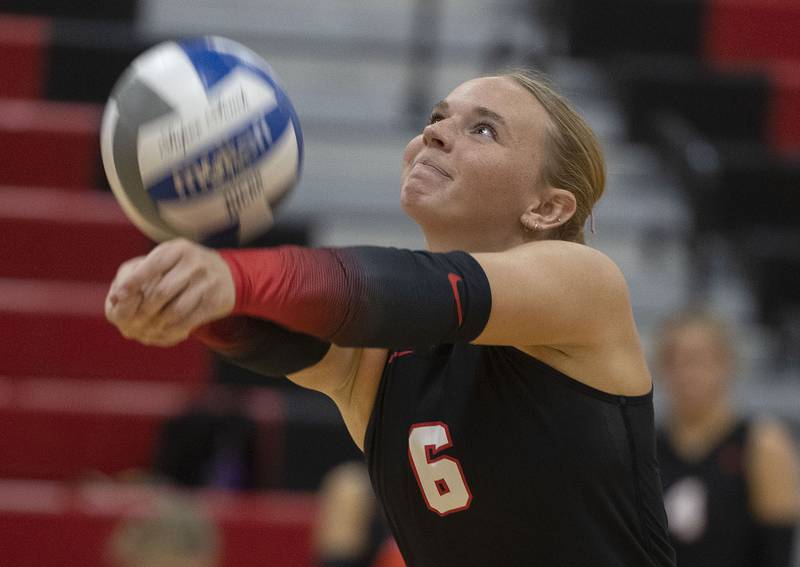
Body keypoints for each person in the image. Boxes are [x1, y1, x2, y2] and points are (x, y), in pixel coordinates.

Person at [105, 68, 677, 566]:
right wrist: (193, 303)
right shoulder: (386, 361)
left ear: (547, 207)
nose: (433, 132)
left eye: (483, 129)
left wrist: (230, 275)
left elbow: (391, 290)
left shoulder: (586, 286)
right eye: (436, 116)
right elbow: (282, 332)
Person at [655, 311, 800, 567]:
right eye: (673, 360)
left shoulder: (763, 443)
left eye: (696, 360)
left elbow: (778, 550)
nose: (685, 373)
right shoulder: (647, 447)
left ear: (727, 364)